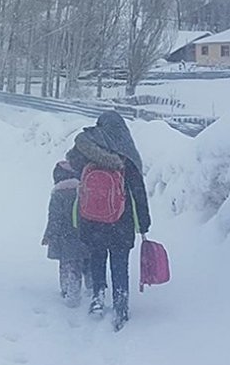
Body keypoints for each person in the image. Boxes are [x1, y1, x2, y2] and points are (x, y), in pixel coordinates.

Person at [66, 111, 151, 331]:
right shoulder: (127, 155)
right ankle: (121, 303)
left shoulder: (88, 149)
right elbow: (138, 192)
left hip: (92, 219)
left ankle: (98, 297)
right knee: (119, 262)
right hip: (121, 221)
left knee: (97, 257)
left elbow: (71, 161)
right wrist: (144, 224)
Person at [42, 161, 93, 307]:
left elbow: (54, 218)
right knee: (88, 262)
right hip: (85, 235)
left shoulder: (58, 193)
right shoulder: (84, 189)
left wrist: (49, 234)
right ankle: (92, 288)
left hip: (66, 237)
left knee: (69, 265)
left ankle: (70, 293)